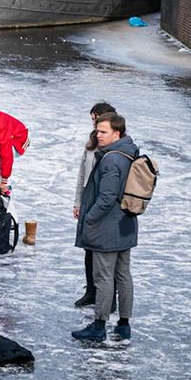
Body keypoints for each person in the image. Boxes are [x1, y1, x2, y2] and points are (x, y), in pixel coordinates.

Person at [73, 112, 139, 343]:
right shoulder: (128, 152)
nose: (98, 135)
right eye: (97, 131)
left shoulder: (111, 159)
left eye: (103, 132)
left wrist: (90, 219)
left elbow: (107, 196)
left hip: (107, 228)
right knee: (123, 276)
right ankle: (124, 325)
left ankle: (99, 326)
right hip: (125, 225)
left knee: (103, 278)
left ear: (116, 134)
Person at [72, 100, 119, 303]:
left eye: (96, 119)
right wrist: (78, 202)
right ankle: (91, 291)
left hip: (105, 202)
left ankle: (109, 297)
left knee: (107, 255)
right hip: (88, 200)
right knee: (88, 249)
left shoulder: (114, 146)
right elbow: (82, 173)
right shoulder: (92, 144)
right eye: (92, 120)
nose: (93, 124)